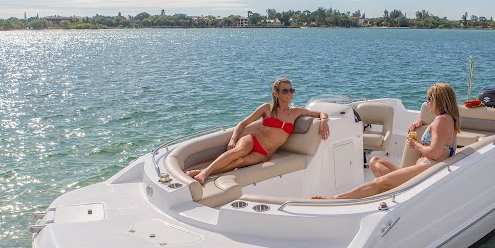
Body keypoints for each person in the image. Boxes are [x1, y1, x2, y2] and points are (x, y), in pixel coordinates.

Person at [313, 83, 459, 200]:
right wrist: (422, 123)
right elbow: (440, 138)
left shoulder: (441, 121)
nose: (427, 102)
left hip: (428, 167)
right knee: (375, 161)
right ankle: (395, 189)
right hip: (423, 167)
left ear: (439, 100)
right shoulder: (447, 119)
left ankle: (335, 198)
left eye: (429, 98)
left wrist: (415, 145)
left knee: (379, 182)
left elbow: (434, 153)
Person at [186, 78, 330, 184]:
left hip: (265, 153)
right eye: (285, 91)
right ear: (276, 93)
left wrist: (323, 122)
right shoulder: (266, 108)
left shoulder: (296, 112)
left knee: (239, 162)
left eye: (291, 90)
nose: (289, 93)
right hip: (253, 140)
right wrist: (233, 139)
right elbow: (243, 123)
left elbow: (321, 113)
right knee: (239, 152)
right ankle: (206, 173)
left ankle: (201, 172)